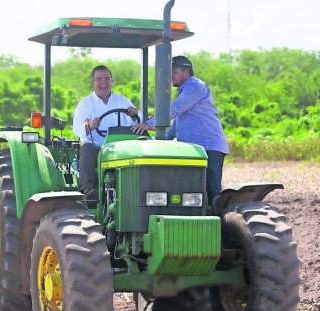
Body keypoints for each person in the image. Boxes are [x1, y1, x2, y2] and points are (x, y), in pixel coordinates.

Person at [131, 56, 229, 206]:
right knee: (191, 190)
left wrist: (148, 123)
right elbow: (176, 126)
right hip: (193, 150)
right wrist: (158, 141)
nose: (171, 76)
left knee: (212, 189)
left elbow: (175, 108)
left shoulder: (196, 86)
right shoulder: (184, 92)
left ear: (186, 72)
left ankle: (220, 225)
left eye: (174, 72)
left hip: (209, 147)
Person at [73, 65, 142, 198]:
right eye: (99, 79)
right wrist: (91, 126)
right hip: (97, 145)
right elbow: (77, 128)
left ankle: (137, 188)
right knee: (87, 149)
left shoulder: (122, 101)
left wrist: (134, 114)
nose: (103, 83)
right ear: (92, 82)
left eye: (107, 79)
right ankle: (87, 189)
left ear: (111, 81)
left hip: (120, 146)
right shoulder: (86, 104)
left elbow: (138, 121)